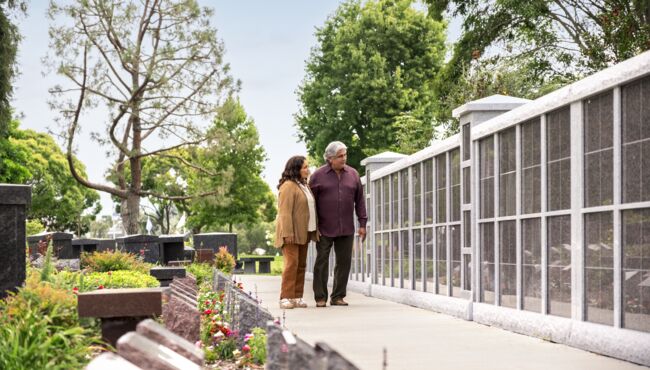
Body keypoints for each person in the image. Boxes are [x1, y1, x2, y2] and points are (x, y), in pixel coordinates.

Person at [309, 141, 367, 307]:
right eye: (340, 156)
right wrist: (314, 227)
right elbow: (311, 204)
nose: (344, 159)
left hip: (346, 227)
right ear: (329, 159)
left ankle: (338, 296)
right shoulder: (317, 176)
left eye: (344, 155)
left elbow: (360, 201)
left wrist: (363, 224)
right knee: (321, 262)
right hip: (324, 228)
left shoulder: (353, 174)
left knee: (344, 262)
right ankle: (320, 297)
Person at [274, 155, 318, 309]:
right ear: (296, 169)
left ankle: (297, 296)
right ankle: (285, 297)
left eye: (308, 167)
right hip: (290, 233)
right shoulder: (288, 186)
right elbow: (285, 212)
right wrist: (287, 232)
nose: (308, 170)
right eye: (305, 167)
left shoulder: (304, 185)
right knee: (291, 264)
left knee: (301, 265)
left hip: (304, 232)